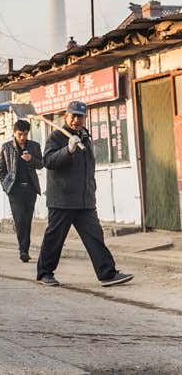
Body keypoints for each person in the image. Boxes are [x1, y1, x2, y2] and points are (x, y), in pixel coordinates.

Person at [36, 101, 134, 287]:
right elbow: (48, 161)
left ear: (85, 118)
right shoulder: (56, 137)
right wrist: (68, 149)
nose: (76, 120)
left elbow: (88, 167)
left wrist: (91, 190)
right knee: (54, 238)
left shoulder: (85, 137)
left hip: (84, 200)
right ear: (66, 116)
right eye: (73, 116)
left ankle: (107, 274)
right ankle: (45, 273)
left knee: (95, 237)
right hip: (62, 200)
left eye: (80, 116)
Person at [0, 119, 44, 262]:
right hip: (15, 190)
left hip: (30, 188)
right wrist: (7, 187)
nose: (23, 137)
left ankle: (25, 249)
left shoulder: (34, 146)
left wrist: (30, 159)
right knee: (19, 220)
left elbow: (41, 164)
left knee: (27, 219)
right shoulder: (6, 147)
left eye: (25, 134)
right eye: (20, 134)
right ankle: (23, 250)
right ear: (14, 133)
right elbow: (1, 169)